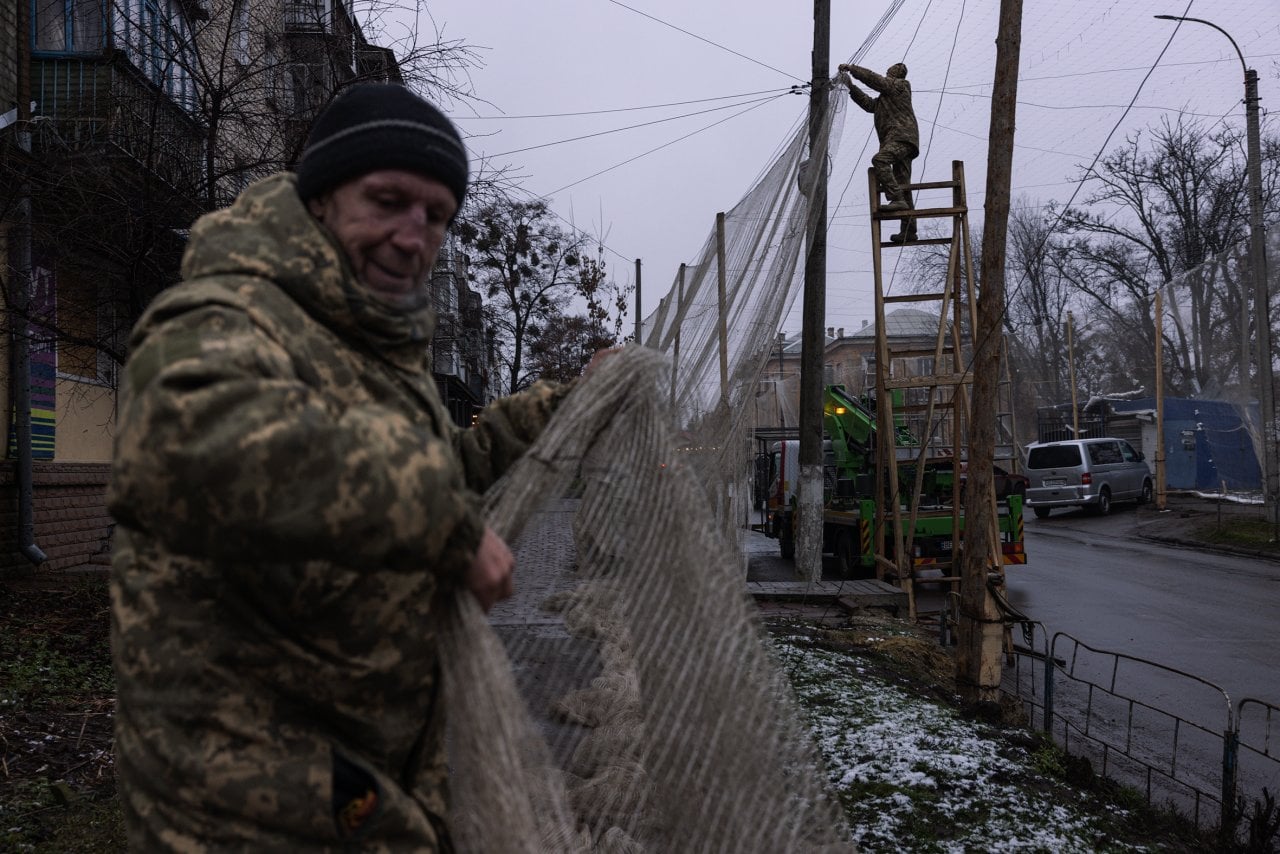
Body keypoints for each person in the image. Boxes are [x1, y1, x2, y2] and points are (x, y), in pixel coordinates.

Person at [107, 82, 591, 850]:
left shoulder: (374, 342)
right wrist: (440, 519)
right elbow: (192, 443)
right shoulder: (231, 310)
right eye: (388, 200)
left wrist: (558, 408)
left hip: (366, 775)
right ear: (322, 199)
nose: (413, 235)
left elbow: (435, 470)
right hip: (246, 795)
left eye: (436, 216)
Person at [838, 61, 920, 242]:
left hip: (902, 138)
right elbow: (869, 104)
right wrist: (851, 86)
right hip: (901, 140)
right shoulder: (887, 97)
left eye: (890, 71)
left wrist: (853, 69)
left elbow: (876, 80)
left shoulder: (900, 86)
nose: (887, 72)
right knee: (903, 183)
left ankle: (896, 198)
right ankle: (909, 230)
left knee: (880, 160)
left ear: (896, 73)